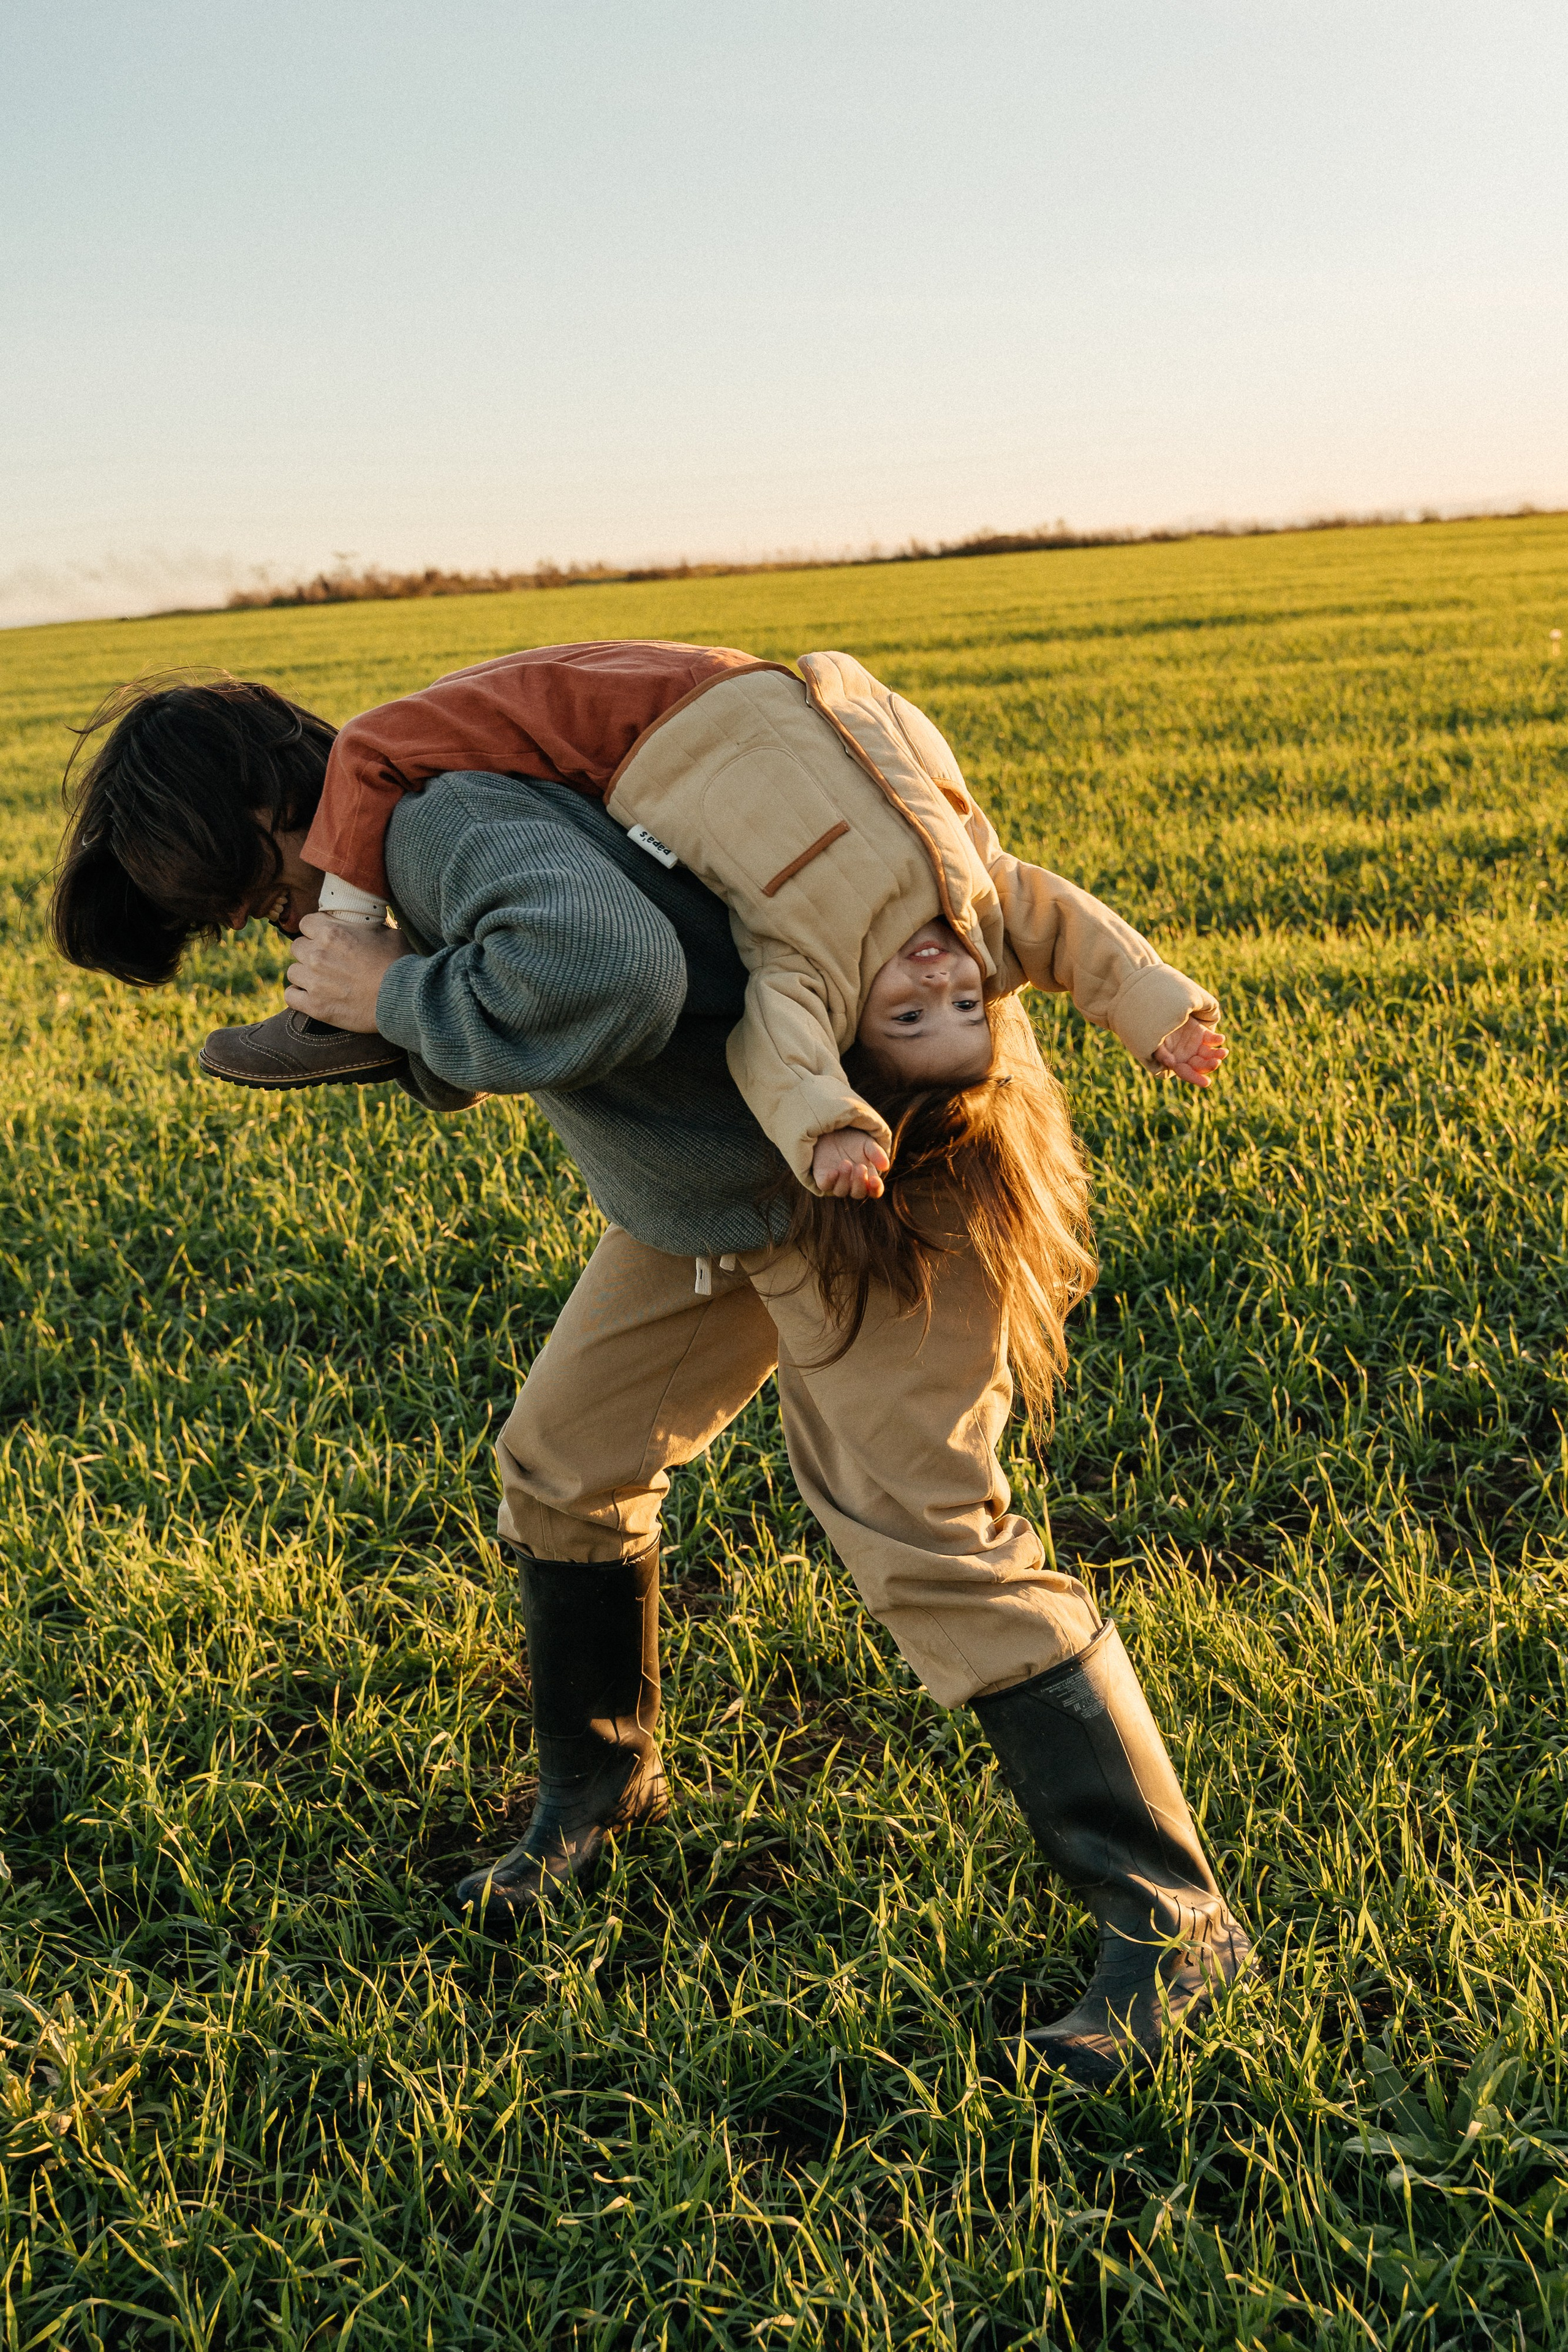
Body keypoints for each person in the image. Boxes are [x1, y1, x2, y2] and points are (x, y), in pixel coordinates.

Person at [51, 649, 1253, 2086]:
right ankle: (597, 1798)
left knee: (928, 1537)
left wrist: (393, 995)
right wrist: (402, 1006)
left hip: (864, 1188)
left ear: (267, 814)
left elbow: (613, 971)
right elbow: (585, 987)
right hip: (710, 1210)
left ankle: (1175, 1925)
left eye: (259, 897)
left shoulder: (435, 825)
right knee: (563, 1464)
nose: (281, 922)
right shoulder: (433, 836)